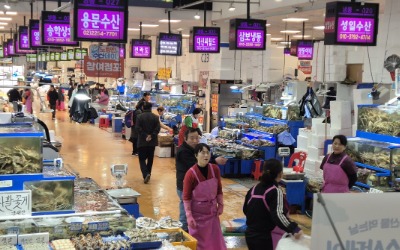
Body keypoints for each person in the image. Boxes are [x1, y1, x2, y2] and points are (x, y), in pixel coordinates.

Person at [243, 159, 303, 250]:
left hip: (250, 235)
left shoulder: (253, 189)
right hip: (265, 238)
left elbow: (245, 210)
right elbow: (278, 215)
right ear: (280, 174)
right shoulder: (275, 191)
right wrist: (294, 228)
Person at [176, 128, 227, 231]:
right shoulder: (183, 151)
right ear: (185, 139)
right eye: (192, 138)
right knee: (185, 214)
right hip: (184, 187)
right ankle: (183, 236)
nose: (195, 141)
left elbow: (219, 188)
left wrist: (220, 204)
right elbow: (197, 164)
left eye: (197, 138)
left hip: (197, 191)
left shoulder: (213, 168)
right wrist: (215, 161)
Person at [182, 143, 227, 250]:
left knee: (215, 241)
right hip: (197, 216)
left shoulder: (215, 169)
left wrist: (220, 204)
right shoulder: (190, 174)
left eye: (208, 152)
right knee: (199, 244)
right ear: (196, 155)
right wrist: (189, 216)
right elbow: (186, 197)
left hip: (212, 213)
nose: (206, 155)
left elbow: (219, 189)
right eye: (202, 153)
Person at [135, 101, 160, 183]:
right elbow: (157, 129)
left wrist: (145, 135)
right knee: (150, 159)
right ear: (151, 108)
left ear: (143, 108)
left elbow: (137, 128)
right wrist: (151, 136)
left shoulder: (139, 117)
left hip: (142, 141)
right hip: (152, 142)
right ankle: (148, 173)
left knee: (142, 159)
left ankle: (146, 174)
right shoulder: (156, 117)